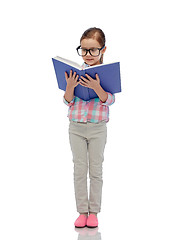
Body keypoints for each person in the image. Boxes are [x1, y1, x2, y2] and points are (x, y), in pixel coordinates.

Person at [63, 27, 115, 228]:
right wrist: (70, 86)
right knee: (79, 169)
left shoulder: (107, 72)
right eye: (84, 50)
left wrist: (96, 87)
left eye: (93, 50)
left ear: (103, 49)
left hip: (97, 128)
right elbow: (68, 101)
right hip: (75, 126)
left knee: (95, 170)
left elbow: (109, 100)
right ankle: (81, 211)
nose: (88, 54)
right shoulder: (76, 71)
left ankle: (94, 212)